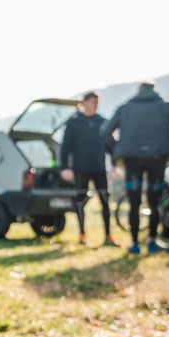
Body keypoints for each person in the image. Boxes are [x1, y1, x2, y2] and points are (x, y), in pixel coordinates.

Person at [101, 81, 169, 255]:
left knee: (134, 203)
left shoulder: (125, 108)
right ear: (154, 90)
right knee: (154, 202)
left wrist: (116, 150)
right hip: (157, 159)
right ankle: (151, 242)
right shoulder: (166, 107)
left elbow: (105, 131)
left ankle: (135, 243)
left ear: (138, 91)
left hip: (132, 160)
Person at [59, 91, 116, 247]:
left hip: (99, 168)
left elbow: (111, 145)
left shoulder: (103, 122)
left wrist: (115, 165)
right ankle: (82, 234)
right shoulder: (74, 123)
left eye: (97, 102)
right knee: (80, 202)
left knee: (105, 201)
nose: (96, 105)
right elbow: (65, 147)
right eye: (93, 102)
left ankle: (108, 236)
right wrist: (65, 167)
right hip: (80, 169)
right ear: (84, 103)